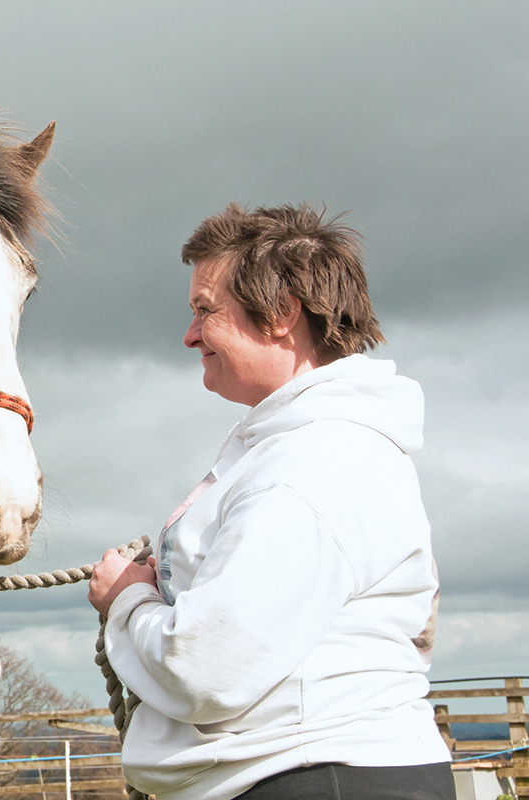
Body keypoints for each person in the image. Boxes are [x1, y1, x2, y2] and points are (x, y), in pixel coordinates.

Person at [88, 202, 453, 800]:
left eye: (206, 311)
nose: (188, 335)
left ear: (282, 314)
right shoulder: (310, 447)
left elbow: (205, 669)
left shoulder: (310, 464)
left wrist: (127, 597)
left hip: (315, 778)